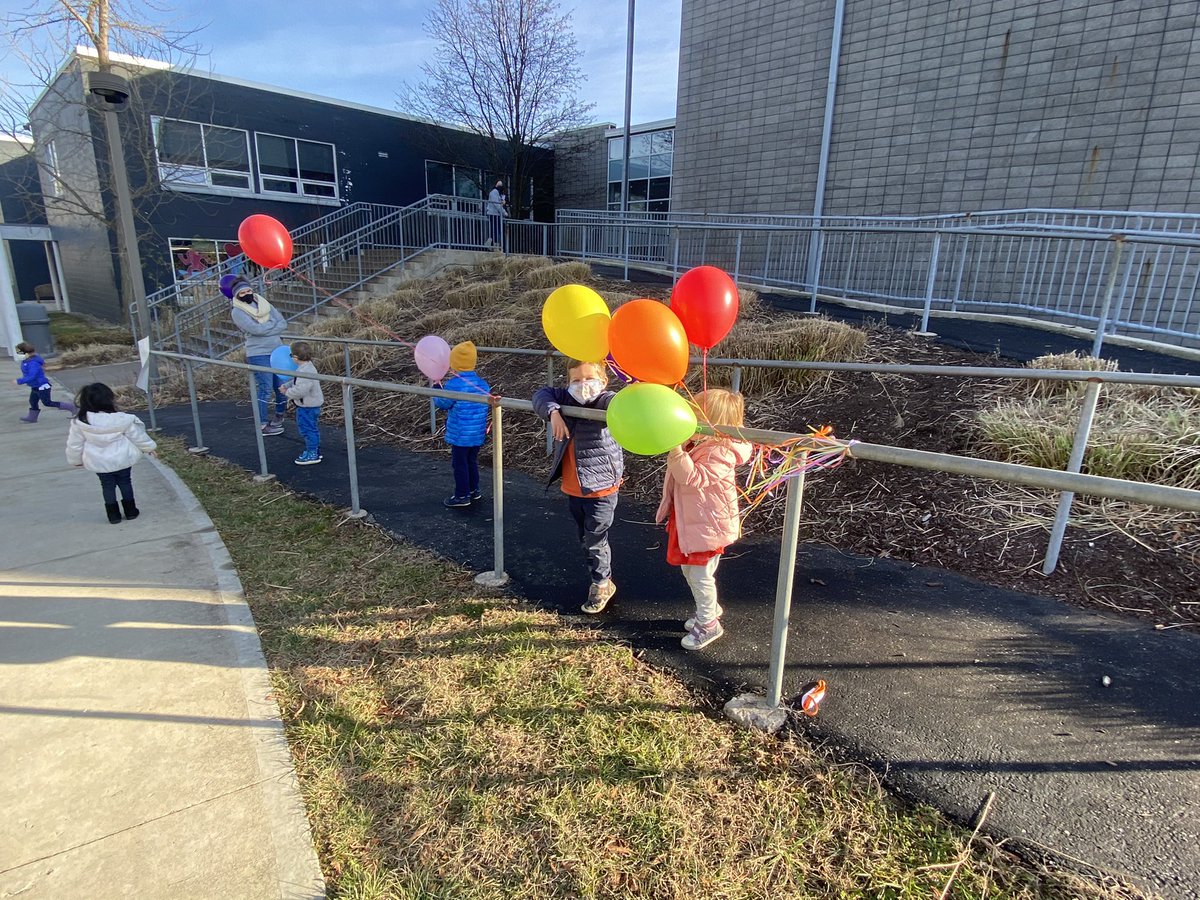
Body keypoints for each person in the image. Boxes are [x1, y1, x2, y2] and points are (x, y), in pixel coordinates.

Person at [655, 389, 753, 650]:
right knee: (692, 571)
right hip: (693, 521)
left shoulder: (721, 451)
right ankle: (709, 608)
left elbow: (693, 478)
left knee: (700, 575)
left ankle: (709, 625)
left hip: (709, 526)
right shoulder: (698, 442)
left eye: (696, 413)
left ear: (714, 423)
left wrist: (675, 450)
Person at [533, 359, 624, 614]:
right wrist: (553, 412)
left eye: (589, 379)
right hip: (575, 486)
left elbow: (620, 404)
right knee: (585, 537)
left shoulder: (606, 400)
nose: (583, 385)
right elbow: (541, 394)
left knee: (595, 537)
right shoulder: (565, 399)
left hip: (601, 487)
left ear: (603, 381)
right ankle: (601, 577)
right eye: (576, 380)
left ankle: (601, 583)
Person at [65, 382, 158, 525]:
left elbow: (75, 444)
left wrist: (75, 460)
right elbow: (137, 435)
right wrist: (149, 448)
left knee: (107, 486)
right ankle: (130, 511)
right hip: (122, 458)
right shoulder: (121, 419)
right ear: (108, 399)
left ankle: (113, 515)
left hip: (99, 461)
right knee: (125, 482)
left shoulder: (81, 422)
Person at [225, 276, 288, 436]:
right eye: (243, 292)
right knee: (265, 388)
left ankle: (280, 415)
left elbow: (283, 322)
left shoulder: (264, 303)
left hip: (277, 350)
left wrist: (267, 327)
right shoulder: (237, 311)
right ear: (237, 295)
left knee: (282, 387)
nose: (247, 293)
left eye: (249, 290)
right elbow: (255, 330)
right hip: (258, 353)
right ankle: (262, 424)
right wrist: (272, 326)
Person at [433, 341, 491, 508]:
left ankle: (462, 495)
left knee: (460, 464)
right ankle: (474, 490)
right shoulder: (482, 384)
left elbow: (443, 403)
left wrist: (436, 387)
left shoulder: (453, 384)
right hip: (477, 433)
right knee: (471, 461)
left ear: (454, 363)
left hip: (460, 435)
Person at [280, 342, 324, 465]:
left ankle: (312, 453)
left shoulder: (306, 371)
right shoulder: (306, 367)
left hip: (307, 407)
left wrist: (287, 392)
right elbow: (296, 380)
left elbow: (300, 390)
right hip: (308, 405)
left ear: (295, 357)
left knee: (307, 430)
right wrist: (288, 385)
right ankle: (315, 449)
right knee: (312, 429)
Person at [14, 341, 76, 423]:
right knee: (33, 401)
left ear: (25, 353)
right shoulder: (30, 360)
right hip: (35, 386)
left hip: (42, 386)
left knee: (47, 402)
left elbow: (32, 376)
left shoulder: (33, 363)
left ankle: (72, 407)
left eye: (20, 353)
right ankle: (32, 417)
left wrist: (19, 381)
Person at [485, 179, 507, 250]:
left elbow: (498, 203)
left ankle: (492, 245)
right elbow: (497, 205)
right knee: (495, 230)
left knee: (495, 230)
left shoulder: (498, 193)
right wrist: (504, 212)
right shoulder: (494, 192)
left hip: (496, 214)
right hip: (493, 213)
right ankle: (493, 245)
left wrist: (503, 202)